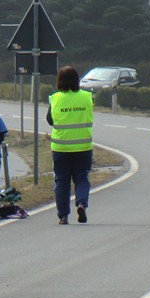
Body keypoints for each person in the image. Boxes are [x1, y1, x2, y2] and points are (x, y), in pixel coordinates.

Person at [46, 66, 93, 225]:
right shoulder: (87, 97)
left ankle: (63, 216)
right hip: (83, 146)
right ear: (77, 80)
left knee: (62, 181)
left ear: (59, 81)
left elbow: (50, 120)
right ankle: (81, 203)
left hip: (61, 147)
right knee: (82, 178)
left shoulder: (55, 98)